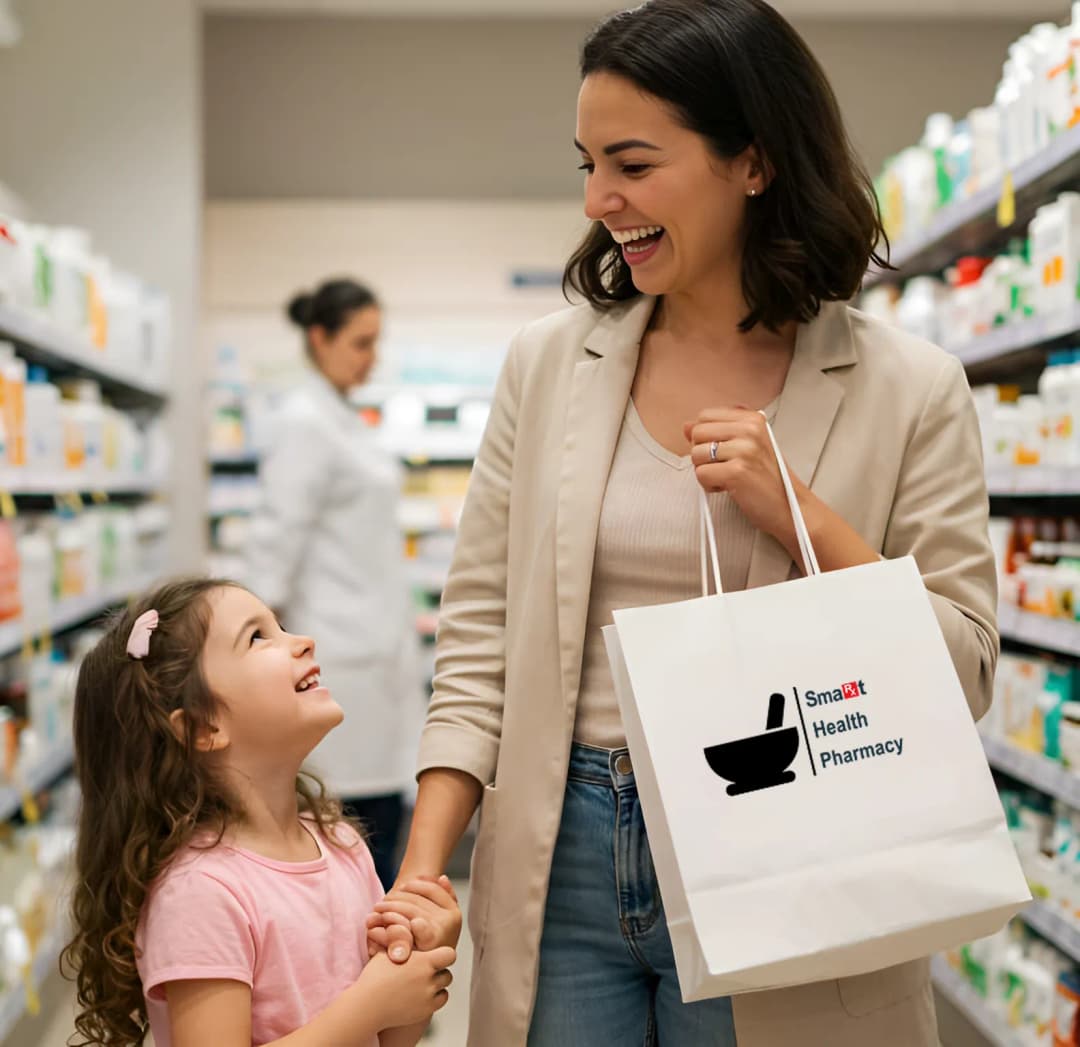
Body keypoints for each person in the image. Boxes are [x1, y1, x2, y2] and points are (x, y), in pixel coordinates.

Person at [380, 2, 998, 1046]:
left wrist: (799, 517)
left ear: (751, 162)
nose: (598, 199)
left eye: (631, 162)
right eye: (586, 163)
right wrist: (421, 866)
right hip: (563, 851)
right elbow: (480, 635)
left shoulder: (912, 389)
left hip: (789, 840)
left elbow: (966, 673)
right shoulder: (548, 366)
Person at [61, 578, 461, 1047]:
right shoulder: (200, 893)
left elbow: (391, 1037)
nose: (304, 641)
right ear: (202, 726)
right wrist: (370, 1003)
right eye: (257, 636)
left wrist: (417, 955)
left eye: (281, 626)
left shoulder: (342, 847)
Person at [246, 278, 423, 889]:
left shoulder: (341, 417)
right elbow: (275, 544)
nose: (371, 357)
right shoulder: (304, 422)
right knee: (348, 830)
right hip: (337, 649)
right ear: (319, 339)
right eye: (360, 342)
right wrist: (256, 649)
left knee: (375, 822)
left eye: (377, 342)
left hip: (374, 645)